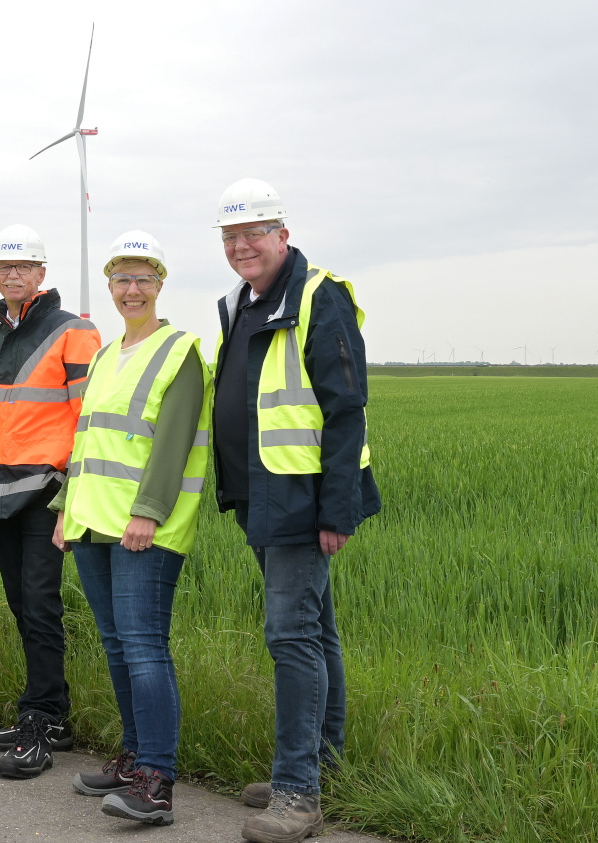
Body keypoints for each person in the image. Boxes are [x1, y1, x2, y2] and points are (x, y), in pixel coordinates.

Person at [207, 179, 380, 843]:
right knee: (316, 629)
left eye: (255, 232)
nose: (243, 246)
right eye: (231, 237)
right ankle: (320, 761)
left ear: (282, 234)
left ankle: (298, 793)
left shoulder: (316, 296)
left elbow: (345, 408)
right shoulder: (244, 303)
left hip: (302, 501)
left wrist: (335, 509)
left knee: (291, 636)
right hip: (261, 493)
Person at [51, 230, 210, 827]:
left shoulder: (180, 350)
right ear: (111, 287)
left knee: (144, 647)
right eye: (122, 279)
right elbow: (87, 439)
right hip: (93, 521)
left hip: (144, 527)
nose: (132, 289)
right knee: (118, 646)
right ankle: (133, 758)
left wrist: (149, 511)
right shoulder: (103, 355)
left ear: (160, 284)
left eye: (143, 278)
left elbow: (172, 442)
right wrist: (65, 507)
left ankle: (157, 779)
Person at [0, 224, 99, 779]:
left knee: (40, 605)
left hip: (47, 492)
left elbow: (88, 420)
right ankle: (49, 712)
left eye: (22, 266)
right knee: (23, 604)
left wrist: (73, 497)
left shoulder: (74, 332)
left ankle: (42, 716)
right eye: (3, 267)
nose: (12, 274)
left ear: (42, 273)